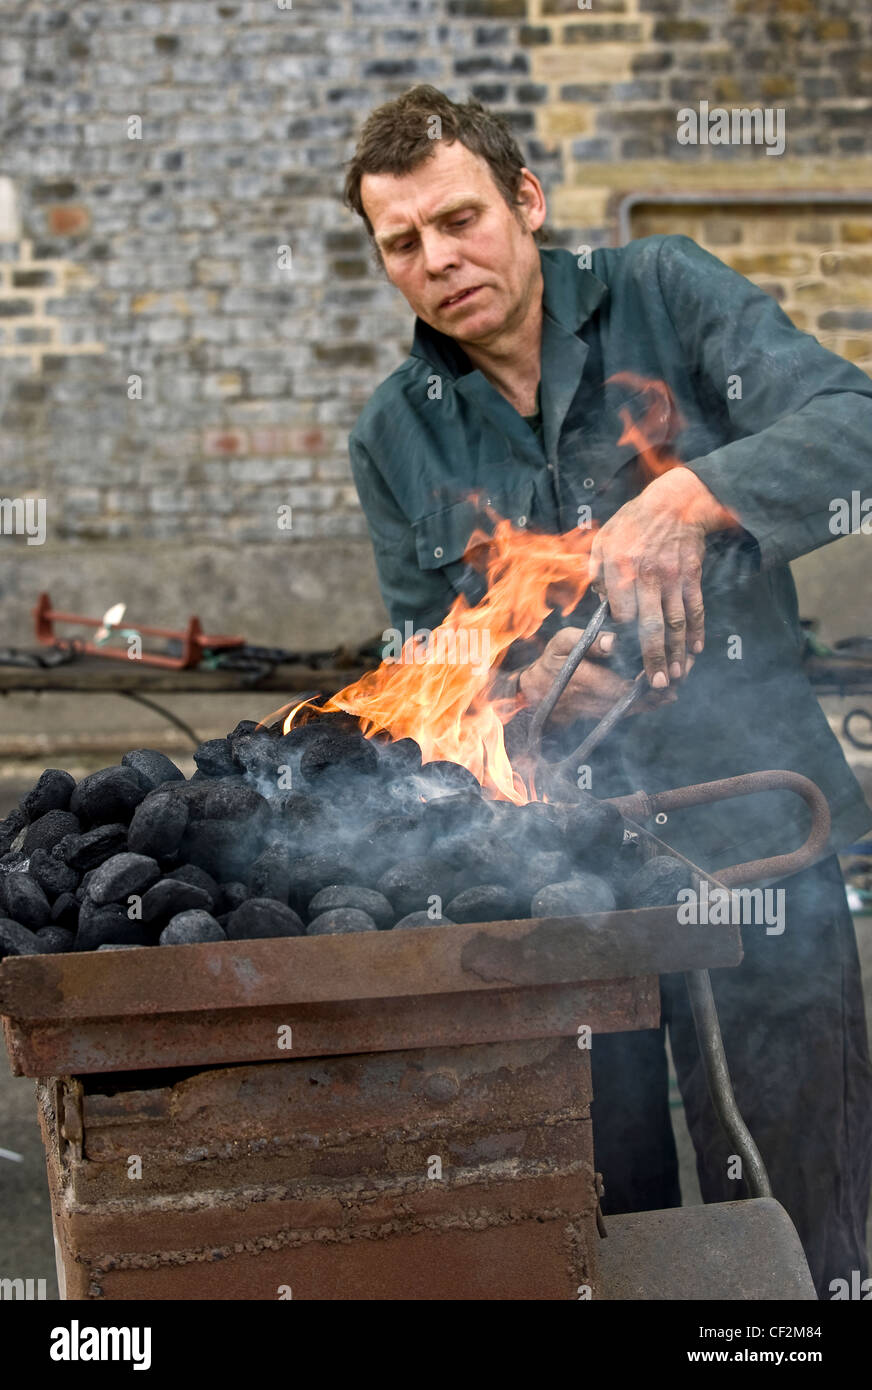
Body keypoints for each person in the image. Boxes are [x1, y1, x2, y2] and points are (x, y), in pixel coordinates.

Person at [342, 84, 872, 1297]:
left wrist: (689, 497)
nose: (440, 259)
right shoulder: (394, 433)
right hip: (562, 875)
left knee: (794, 1206)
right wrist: (511, 682)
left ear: (524, 201)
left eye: (460, 219)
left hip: (755, 832)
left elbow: (852, 421)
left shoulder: (666, 292)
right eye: (403, 244)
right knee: (602, 1208)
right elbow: (424, 669)